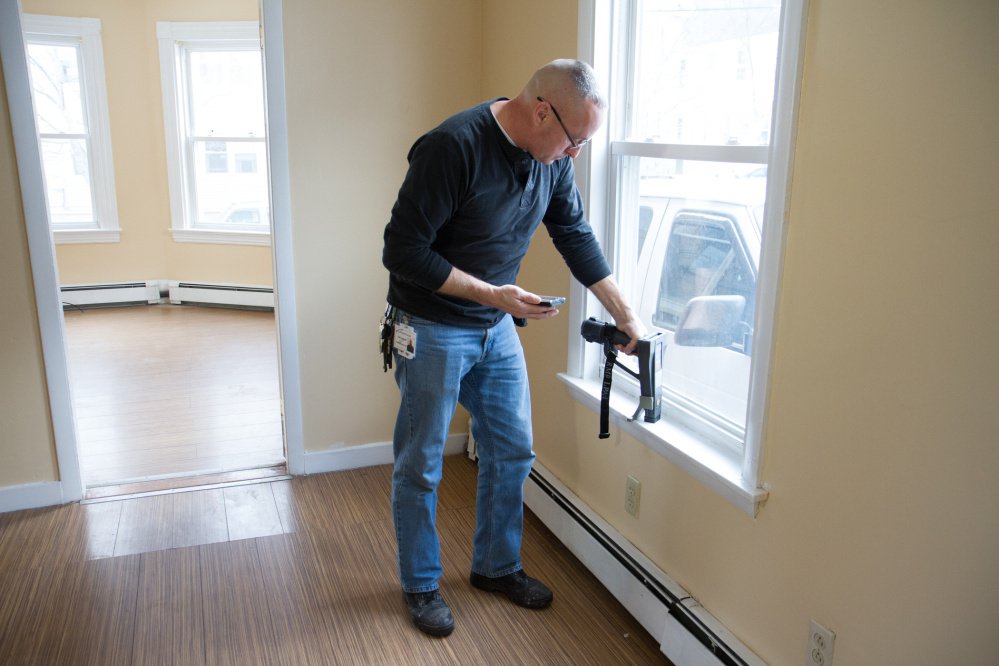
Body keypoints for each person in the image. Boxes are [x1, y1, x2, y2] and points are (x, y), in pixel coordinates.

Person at [381, 59, 643, 637]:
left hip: (494, 328)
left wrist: (626, 315)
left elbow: (573, 234)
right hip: (431, 324)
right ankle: (421, 584)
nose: (575, 154)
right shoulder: (454, 148)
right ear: (542, 110)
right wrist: (493, 295)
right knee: (422, 462)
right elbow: (402, 251)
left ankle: (496, 568)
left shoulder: (550, 162)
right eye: (575, 140)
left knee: (513, 448)